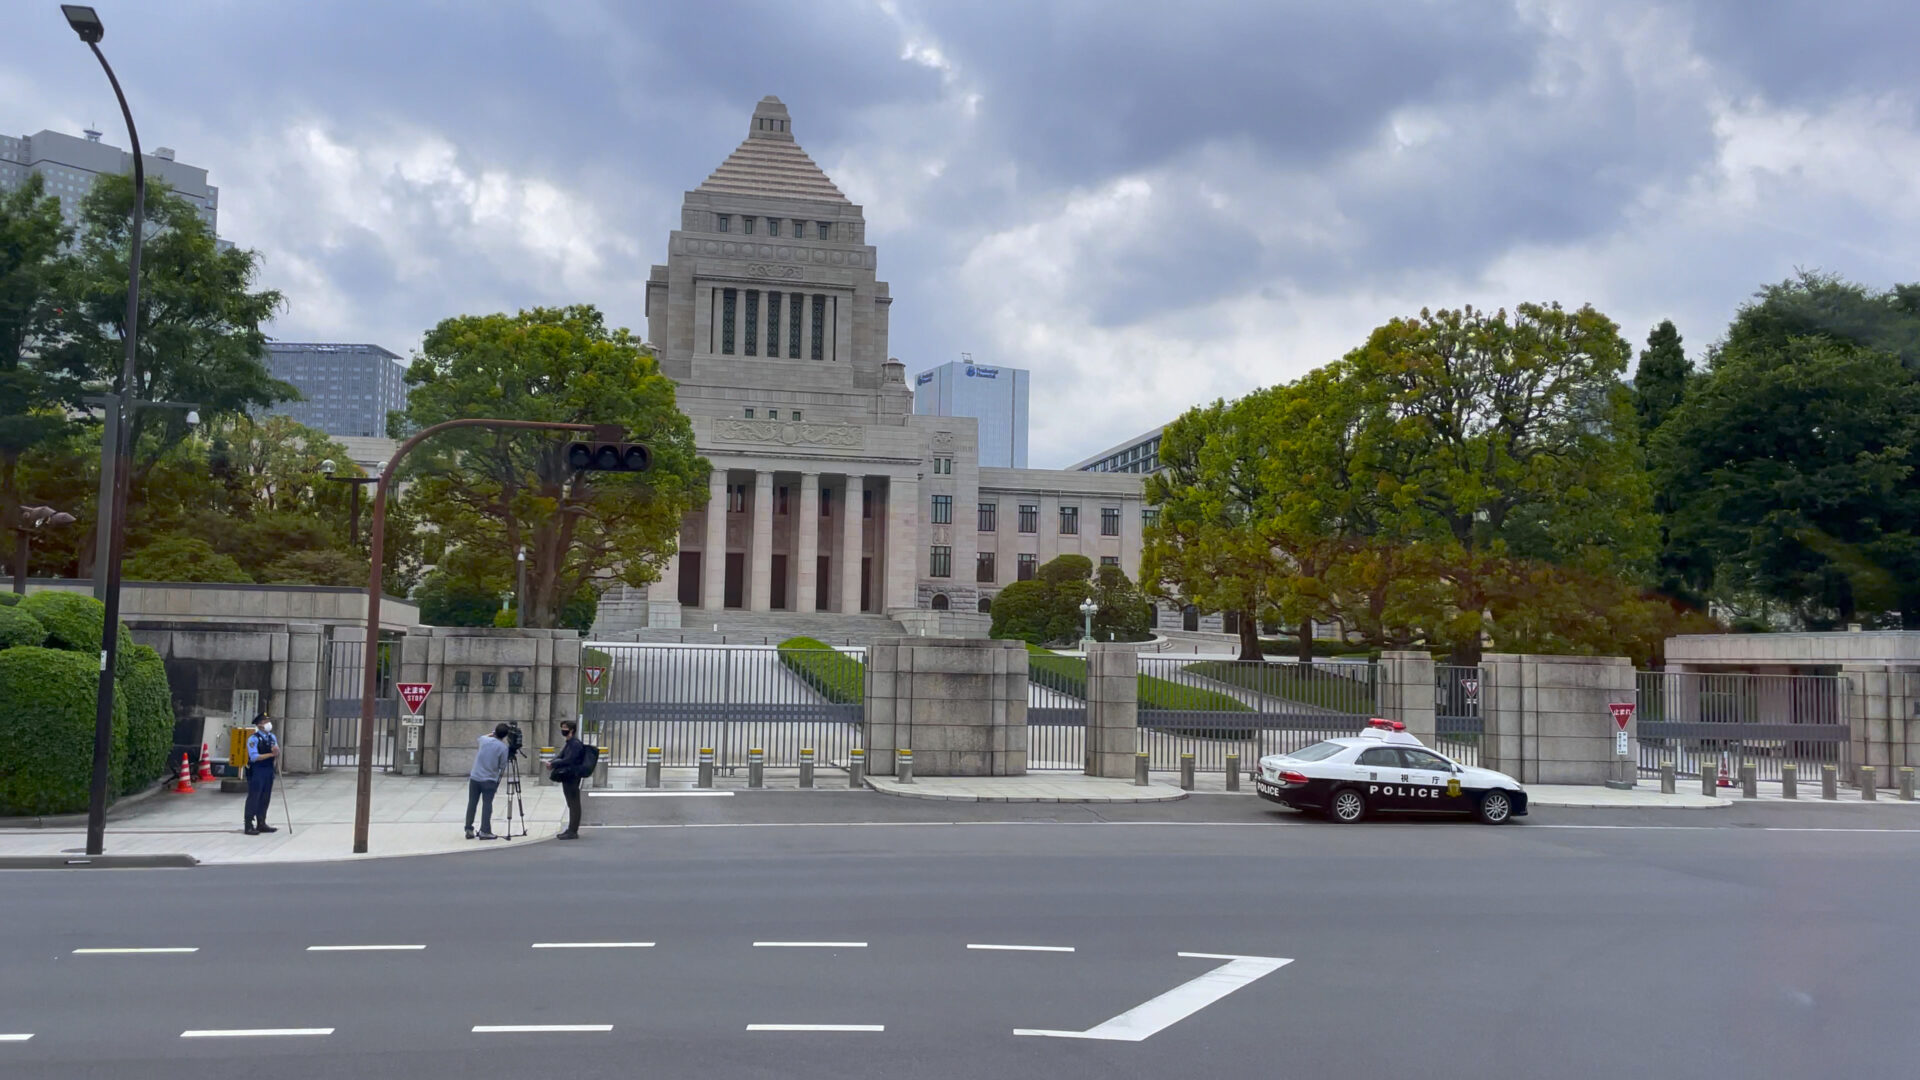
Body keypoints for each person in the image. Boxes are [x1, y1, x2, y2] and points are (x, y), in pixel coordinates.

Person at [466, 723, 511, 840]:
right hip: (489, 779)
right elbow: (502, 765)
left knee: (472, 803)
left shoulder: (484, 740)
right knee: (487, 805)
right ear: (505, 736)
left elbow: (482, 736)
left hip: (475, 777)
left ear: (495, 732)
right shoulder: (503, 748)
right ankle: (485, 830)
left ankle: (468, 829)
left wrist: (492, 733)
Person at [548, 720, 588, 840]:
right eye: (562, 727)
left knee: (574, 803)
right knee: (571, 803)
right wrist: (553, 762)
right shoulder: (570, 743)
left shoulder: (575, 744)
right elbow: (562, 756)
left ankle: (573, 830)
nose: (563, 730)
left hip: (572, 776)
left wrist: (553, 764)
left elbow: (569, 759)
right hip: (568, 776)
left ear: (571, 730)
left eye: (565, 727)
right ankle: (571, 829)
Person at [244, 716, 280, 836]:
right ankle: (248, 824)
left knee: (265, 797)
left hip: (268, 770)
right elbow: (254, 757)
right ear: (259, 725)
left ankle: (262, 822)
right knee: (254, 797)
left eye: (268, 721)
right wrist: (271, 754)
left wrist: (276, 753)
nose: (268, 724)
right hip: (257, 770)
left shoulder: (271, 737)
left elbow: (276, 751)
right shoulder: (253, 739)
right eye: (265, 722)